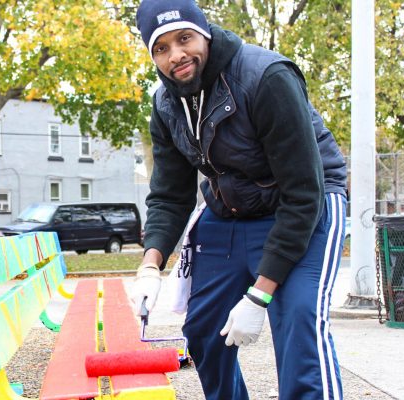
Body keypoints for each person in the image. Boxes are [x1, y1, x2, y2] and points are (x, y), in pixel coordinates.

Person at [129, 1, 348, 399]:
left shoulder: (266, 77)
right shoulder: (165, 105)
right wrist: (150, 264)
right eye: (161, 48)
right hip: (231, 207)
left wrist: (259, 295)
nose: (176, 54)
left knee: (297, 318)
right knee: (203, 328)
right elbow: (170, 194)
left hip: (304, 202)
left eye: (184, 38)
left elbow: (303, 194)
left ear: (204, 33)